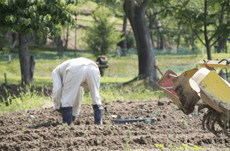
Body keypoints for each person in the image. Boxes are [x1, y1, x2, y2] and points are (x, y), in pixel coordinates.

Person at [51, 57, 103, 125]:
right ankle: (99, 124)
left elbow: (57, 89)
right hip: (93, 67)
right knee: (96, 96)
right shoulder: (66, 66)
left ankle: (67, 124)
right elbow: (78, 92)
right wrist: (75, 113)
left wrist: (57, 106)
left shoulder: (55, 72)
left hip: (75, 68)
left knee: (67, 98)